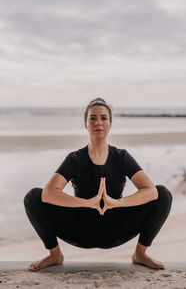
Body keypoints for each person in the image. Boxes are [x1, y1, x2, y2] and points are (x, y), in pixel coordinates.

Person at [24, 97, 172, 272]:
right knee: (33, 197)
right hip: (80, 230)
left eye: (103, 118)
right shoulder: (76, 158)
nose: (98, 123)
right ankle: (55, 255)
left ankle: (140, 253)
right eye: (92, 118)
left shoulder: (121, 157)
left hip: (116, 229)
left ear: (110, 123)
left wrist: (116, 202)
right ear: (85, 124)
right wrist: (87, 203)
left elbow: (151, 192)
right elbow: (48, 193)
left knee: (163, 194)